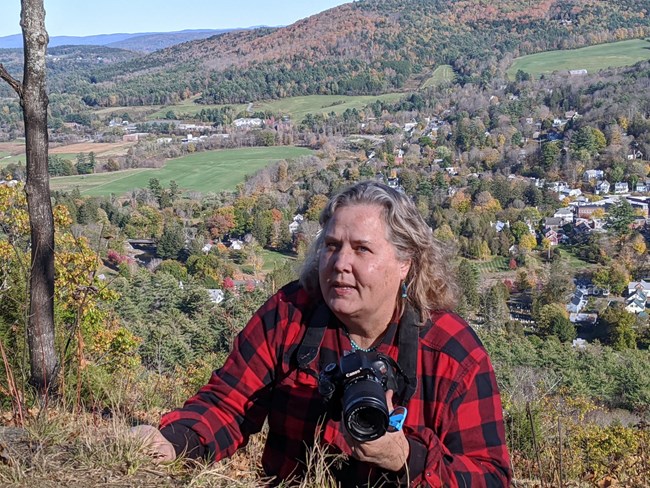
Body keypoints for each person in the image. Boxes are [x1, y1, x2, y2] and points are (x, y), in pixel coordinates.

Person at [133, 181, 512, 487]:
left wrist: (406, 458)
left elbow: (491, 477)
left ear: (404, 264)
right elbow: (229, 404)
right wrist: (174, 440)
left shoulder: (450, 352)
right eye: (332, 246)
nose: (340, 263)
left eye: (362, 249)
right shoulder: (292, 314)